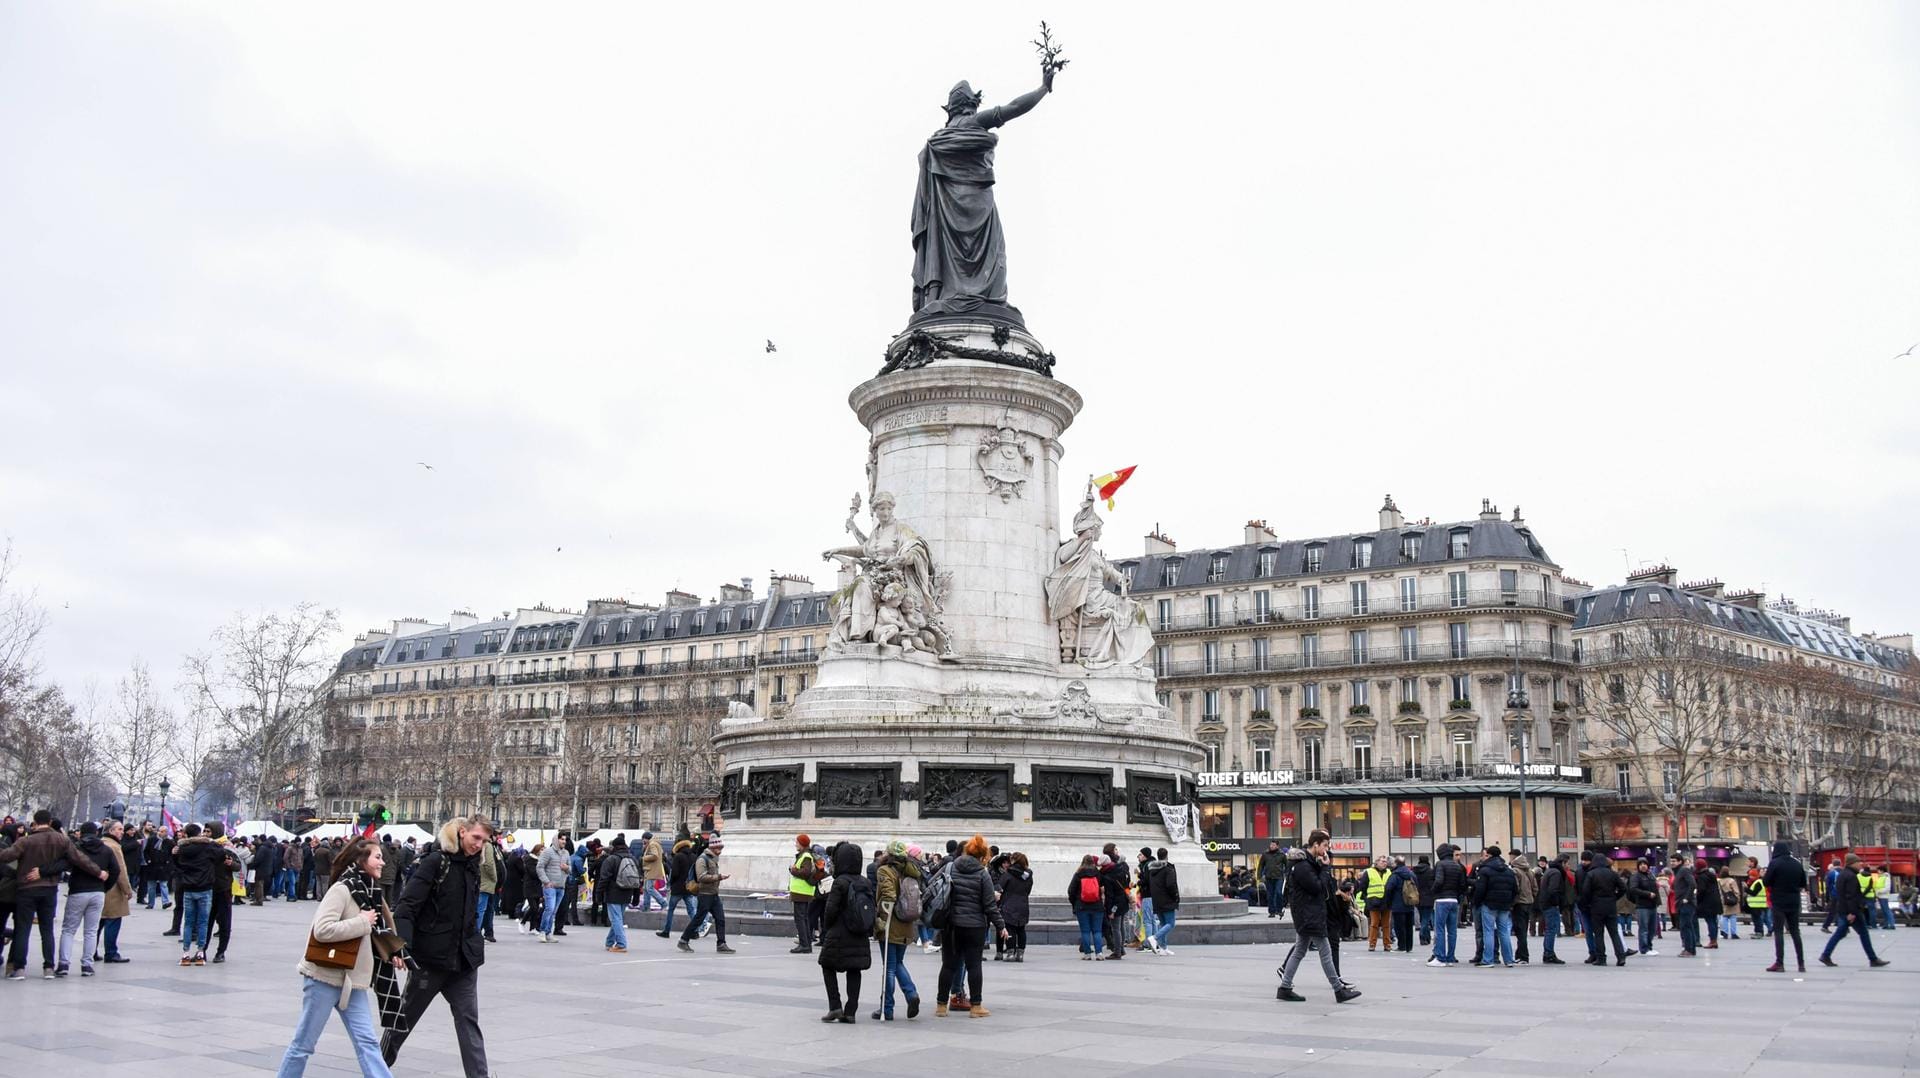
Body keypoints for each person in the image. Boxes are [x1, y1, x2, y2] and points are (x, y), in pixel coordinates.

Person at [276, 837, 406, 1078]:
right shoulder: (342, 889)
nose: (382, 863)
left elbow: (382, 931)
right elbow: (322, 930)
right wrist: (361, 922)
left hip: (353, 981)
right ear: (361, 860)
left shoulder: (372, 890)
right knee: (303, 1045)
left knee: (367, 1043)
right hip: (324, 978)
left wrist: (395, 951)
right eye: (377, 857)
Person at [386, 817, 490, 1077]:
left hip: (463, 960)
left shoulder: (473, 865)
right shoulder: (436, 861)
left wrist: (473, 941)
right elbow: (406, 907)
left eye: (484, 841)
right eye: (476, 838)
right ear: (462, 831)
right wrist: (402, 947)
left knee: (469, 1022)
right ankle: (376, 1067)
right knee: (403, 1020)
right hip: (429, 960)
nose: (479, 845)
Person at [0, 810, 108, 979]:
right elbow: (79, 858)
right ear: (50, 822)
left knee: (23, 929)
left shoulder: (25, 841)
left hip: (26, 889)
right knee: (47, 929)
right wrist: (98, 872)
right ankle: (48, 967)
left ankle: (19, 968)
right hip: (49, 888)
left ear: (35, 822)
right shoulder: (61, 840)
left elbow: (6, 856)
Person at [1276, 830, 1361, 1003]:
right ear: (1315, 845)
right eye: (1324, 845)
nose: (1326, 849)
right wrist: (1324, 868)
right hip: (1309, 915)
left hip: (1308, 914)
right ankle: (1338, 990)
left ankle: (1285, 987)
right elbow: (1317, 887)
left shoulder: (1308, 863)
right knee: (1325, 952)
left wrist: (1322, 867)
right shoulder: (1302, 866)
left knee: (1300, 950)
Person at [934, 835, 1003, 1018]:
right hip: (974, 926)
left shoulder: (951, 866)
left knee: (948, 965)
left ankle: (941, 1006)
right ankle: (975, 1006)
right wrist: (1001, 926)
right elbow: (989, 905)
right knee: (974, 966)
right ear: (982, 855)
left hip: (951, 925)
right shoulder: (982, 874)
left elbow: (934, 886)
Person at [55, 821, 122, 977]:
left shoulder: (76, 848)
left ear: (81, 833)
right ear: (96, 833)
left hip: (78, 890)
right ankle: (87, 965)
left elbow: (65, 865)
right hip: (97, 891)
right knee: (91, 931)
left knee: (69, 929)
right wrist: (104, 887)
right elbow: (115, 870)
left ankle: (64, 963)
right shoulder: (106, 850)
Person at [818, 842, 873, 1023]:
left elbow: (830, 910)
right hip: (860, 933)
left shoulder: (840, 882)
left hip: (839, 932)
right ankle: (851, 1011)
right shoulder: (865, 882)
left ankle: (835, 1006)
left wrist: (827, 927)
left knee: (827, 965)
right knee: (854, 969)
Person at [871, 840, 924, 1020]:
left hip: (891, 924)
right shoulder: (911, 872)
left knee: (890, 968)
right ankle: (911, 994)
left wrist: (881, 922)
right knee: (898, 963)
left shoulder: (884, 870)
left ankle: (887, 1008)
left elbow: (888, 896)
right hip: (907, 924)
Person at [1819, 854, 1889, 969]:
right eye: (1858, 862)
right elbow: (1851, 896)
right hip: (1852, 911)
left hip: (1843, 909)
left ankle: (1826, 955)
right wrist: (1852, 912)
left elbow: (1842, 894)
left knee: (1840, 933)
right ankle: (1873, 959)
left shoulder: (1843, 875)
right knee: (1863, 933)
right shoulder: (1851, 876)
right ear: (1852, 863)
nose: (1860, 864)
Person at [677, 836, 736, 954]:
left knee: (720, 918)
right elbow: (701, 877)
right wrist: (718, 877)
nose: (721, 850)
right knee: (699, 918)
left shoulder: (713, 859)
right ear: (713, 847)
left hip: (713, 893)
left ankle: (721, 943)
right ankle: (683, 940)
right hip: (705, 894)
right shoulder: (702, 859)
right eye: (719, 848)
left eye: (721, 847)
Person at [1762, 841, 1808, 973]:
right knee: (1795, 932)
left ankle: (1779, 963)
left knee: (1778, 931)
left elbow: (1766, 882)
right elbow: (1803, 883)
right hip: (1794, 901)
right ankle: (1801, 963)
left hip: (1778, 901)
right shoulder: (1796, 864)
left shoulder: (1775, 863)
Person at [97, 820, 136, 965]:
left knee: (98, 921)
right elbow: (120, 870)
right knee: (113, 919)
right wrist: (127, 889)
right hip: (113, 888)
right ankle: (111, 952)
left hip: (99, 887)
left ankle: (92, 951)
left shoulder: (100, 843)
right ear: (111, 831)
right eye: (119, 829)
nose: (122, 832)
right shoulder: (114, 846)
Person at [1470, 846, 1517, 968]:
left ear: (1489, 855)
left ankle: (1488, 960)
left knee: (1489, 931)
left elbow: (1480, 889)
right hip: (1504, 905)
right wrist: (1509, 902)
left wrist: (1477, 902)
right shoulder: (1508, 870)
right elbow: (1515, 889)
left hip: (1489, 904)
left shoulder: (1485, 870)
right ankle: (1509, 959)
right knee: (1504, 932)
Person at [1579, 853, 1629, 966]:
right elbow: (1623, 888)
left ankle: (1601, 958)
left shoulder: (1591, 874)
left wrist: (1587, 903)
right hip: (1611, 906)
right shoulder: (1613, 874)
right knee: (1614, 933)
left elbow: (1585, 892)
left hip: (1596, 907)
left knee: (1598, 933)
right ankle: (1621, 956)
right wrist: (1614, 897)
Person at [1427, 843, 1466, 966]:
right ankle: (1450, 957)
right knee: (1452, 930)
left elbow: (1438, 880)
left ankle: (1440, 957)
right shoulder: (1458, 866)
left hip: (1442, 900)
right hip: (1454, 900)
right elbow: (1462, 885)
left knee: (1439, 929)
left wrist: (1433, 891)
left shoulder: (1440, 864)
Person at [657, 835, 700, 938]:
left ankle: (666, 931)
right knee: (691, 910)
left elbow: (675, 873)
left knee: (671, 909)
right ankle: (695, 931)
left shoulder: (678, 856)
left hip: (678, 888)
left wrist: (671, 883)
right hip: (689, 887)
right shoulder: (694, 856)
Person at [788, 832, 822, 954]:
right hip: (803, 892)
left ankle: (804, 944)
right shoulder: (805, 854)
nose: (795, 844)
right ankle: (806, 944)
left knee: (800, 919)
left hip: (801, 893)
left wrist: (793, 870)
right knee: (804, 919)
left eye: (797, 842)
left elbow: (806, 872)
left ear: (802, 844)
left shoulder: (806, 856)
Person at [1144, 847, 1180, 954]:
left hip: (1156, 899)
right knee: (1171, 923)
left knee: (1163, 923)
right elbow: (1171, 885)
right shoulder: (1168, 869)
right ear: (1167, 855)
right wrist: (1175, 896)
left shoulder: (1152, 870)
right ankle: (1154, 938)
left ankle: (1163, 948)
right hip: (1167, 899)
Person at [1068, 854, 1105, 960]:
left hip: (1082, 906)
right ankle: (1099, 953)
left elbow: (1071, 890)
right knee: (1097, 931)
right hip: (1097, 906)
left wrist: (1074, 903)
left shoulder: (1078, 874)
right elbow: (1102, 887)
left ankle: (1087, 954)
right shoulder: (1097, 874)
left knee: (1085, 931)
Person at [998, 850, 1032, 962]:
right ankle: (1020, 954)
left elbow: (1000, 888)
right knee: (1021, 929)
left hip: (1009, 904)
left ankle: (1010, 953)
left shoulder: (1007, 874)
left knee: (1010, 929)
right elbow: (1028, 890)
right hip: (1023, 904)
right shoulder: (1028, 875)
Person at [1536, 854, 1570, 964]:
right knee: (1551, 929)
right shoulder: (1556, 873)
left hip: (1545, 903)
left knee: (1550, 929)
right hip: (1550, 904)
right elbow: (1553, 890)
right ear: (1563, 862)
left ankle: (1548, 953)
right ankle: (1549, 953)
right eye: (1567, 863)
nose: (1567, 866)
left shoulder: (1550, 871)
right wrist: (1556, 903)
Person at [535, 837, 569, 942]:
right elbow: (539, 867)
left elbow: (570, 868)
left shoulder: (566, 853)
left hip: (561, 886)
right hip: (550, 885)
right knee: (549, 908)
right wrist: (546, 881)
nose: (564, 841)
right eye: (561, 839)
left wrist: (567, 868)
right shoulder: (548, 852)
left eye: (565, 839)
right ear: (556, 840)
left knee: (554, 911)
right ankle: (542, 931)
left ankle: (548, 932)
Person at [1628, 860, 1660, 958]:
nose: (1643, 866)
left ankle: (1649, 947)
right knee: (1644, 928)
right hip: (1642, 906)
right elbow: (1633, 889)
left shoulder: (1651, 876)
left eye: (1645, 864)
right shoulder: (1636, 876)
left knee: (1652, 928)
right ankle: (1644, 948)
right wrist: (1647, 894)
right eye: (1641, 864)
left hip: (1652, 905)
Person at [1361, 855, 1392, 952]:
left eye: (1385, 861)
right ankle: (1372, 944)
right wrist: (1368, 898)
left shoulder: (1389, 872)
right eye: (1382, 861)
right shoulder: (1369, 872)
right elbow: (1363, 886)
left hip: (1386, 901)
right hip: (1374, 902)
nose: (1384, 863)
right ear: (1376, 862)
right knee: (1374, 924)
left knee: (1386, 924)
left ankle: (1387, 944)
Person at [1386, 856, 1416, 953]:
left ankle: (1401, 946)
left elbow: (1388, 888)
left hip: (1398, 904)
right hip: (1410, 903)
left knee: (1399, 926)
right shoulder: (1411, 874)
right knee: (1409, 926)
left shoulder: (1395, 875)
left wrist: (1389, 901)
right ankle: (1409, 946)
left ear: (1396, 864)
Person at [1694, 857, 1723, 949]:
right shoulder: (1712, 875)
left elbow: (1701, 890)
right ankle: (1714, 940)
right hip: (1715, 901)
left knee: (1710, 921)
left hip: (1707, 902)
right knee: (1714, 921)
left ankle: (1712, 941)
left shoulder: (1702, 877)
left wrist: (1697, 899)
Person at [638, 831, 666, 911]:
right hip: (650, 870)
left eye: (643, 840)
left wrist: (644, 858)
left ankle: (663, 903)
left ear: (645, 838)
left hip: (651, 870)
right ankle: (646, 907)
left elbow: (655, 855)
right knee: (646, 888)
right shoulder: (655, 844)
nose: (642, 841)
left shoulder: (652, 844)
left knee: (649, 888)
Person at [1258, 841, 1287, 918]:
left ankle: (1279, 909)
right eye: (1271, 844)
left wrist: (1287, 874)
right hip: (1268, 877)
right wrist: (1260, 876)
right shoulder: (1265, 854)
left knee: (1278, 893)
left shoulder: (1282, 854)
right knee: (1270, 895)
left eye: (1273, 845)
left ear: (1277, 846)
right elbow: (1261, 865)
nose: (1271, 846)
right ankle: (1272, 912)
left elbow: (1287, 865)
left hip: (1279, 877)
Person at [1413, 855, 1436, 946]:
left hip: (1417, 897)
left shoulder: (1414, 871)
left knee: (1423, 917)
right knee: (1426, 918)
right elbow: (1433, 885)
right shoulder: (1430, 871)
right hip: (1428, 897)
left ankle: (1427, 938)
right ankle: (1423, 935)